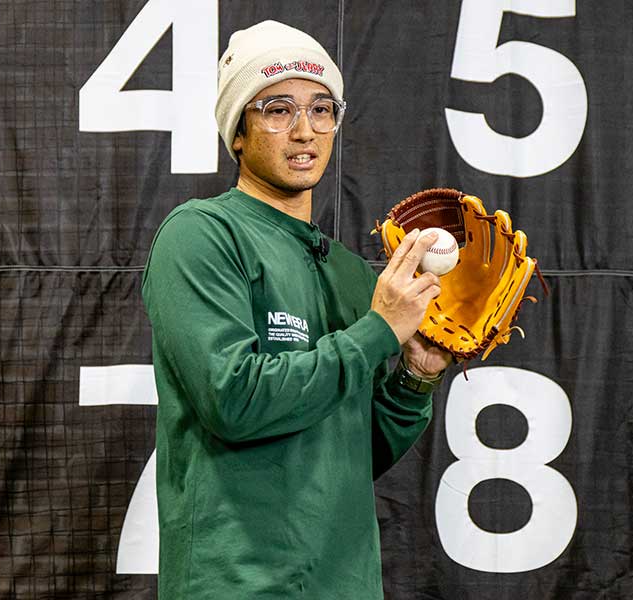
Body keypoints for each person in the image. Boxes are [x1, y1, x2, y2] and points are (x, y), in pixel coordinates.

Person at [141, 20, 451, 599]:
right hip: (238, 584)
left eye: (321, 109)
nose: (304, 130)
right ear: (238, 130)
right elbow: (233, 400)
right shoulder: (201, 235)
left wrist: (416, 377)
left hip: (344, 583)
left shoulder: (353, 274)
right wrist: (377, 330)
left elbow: (350, 454)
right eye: (278, 108)